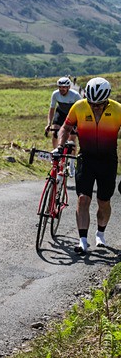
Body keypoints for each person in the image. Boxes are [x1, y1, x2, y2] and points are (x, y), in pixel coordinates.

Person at [57, 77, 121, 255]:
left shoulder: (118, 109)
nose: (95, 107)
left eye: (99, 104)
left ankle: (100, 233)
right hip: (86, 158)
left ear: (106, 100)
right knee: (83, 198)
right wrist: (60, 146)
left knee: (104, 201)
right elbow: (66, 127)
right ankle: (83, 240)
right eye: (92, 104)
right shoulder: (79, 107)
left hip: (108, 161)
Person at [45, 77, 80, 148]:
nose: (61, 89)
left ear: (69, 87)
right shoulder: (55, 94)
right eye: (59, 87)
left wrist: (78, 124)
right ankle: (55, 154)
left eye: (64, 87)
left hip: (72, 115)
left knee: (72, 139)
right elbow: (52, 109)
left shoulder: (75, 95)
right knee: (55, 133)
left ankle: (72, 158)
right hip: (61, 113)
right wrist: (49, 124)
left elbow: (81, 110)